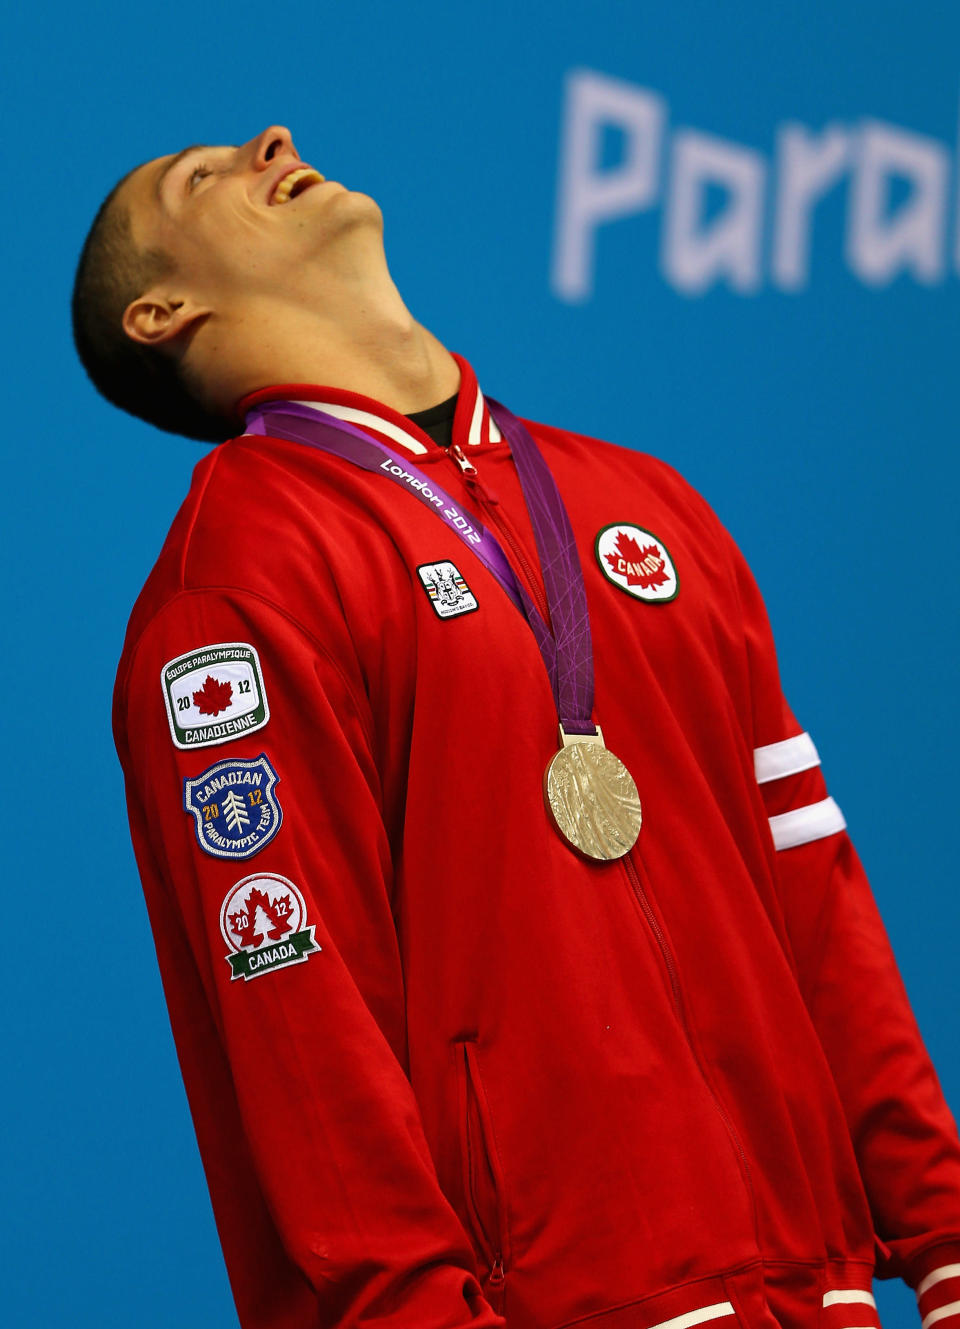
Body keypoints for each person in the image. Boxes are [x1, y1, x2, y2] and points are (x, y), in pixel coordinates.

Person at [73, 125, 960, 1329]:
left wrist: (947, 1234)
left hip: (819, 1299)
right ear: (161, 311)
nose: (270, 141)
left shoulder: (645, 504)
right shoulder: (236, 582)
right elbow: (301, 1031)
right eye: (199, 176)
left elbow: (813, 897)